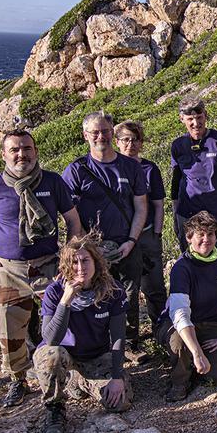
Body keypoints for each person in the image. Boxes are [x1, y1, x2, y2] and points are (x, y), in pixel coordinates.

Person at [0, 130, 83, 407]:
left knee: (66, 321)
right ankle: (18, 380)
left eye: (27, 148)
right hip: (7, 270)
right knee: (9, 330)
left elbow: (73, 220)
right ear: (4, 154)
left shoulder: (52, 181)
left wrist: (69, 256)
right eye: (14, 149)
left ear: (36, 151)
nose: (21, 154)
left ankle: (70, 372)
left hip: (49, 267)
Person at [35, 234, 132, 433]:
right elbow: (51, 338)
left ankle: (79, 381)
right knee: (52, 355)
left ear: (96, 261)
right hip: (64, 355)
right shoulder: (55, 292)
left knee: (120, 402)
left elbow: (118, 337)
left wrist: (116, 377)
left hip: (96, 355)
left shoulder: (112, 290)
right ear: (66, 265)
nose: (80, 268)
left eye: (85, 260)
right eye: (74, 262)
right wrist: (65, 302)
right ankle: (55, 409)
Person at [62, 113, 148, 348]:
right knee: (96, 294)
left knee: (129, 295)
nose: (101, 136)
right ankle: (100, 343)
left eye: (106, 131)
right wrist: (87, 246)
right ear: (86, 136)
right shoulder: (76, 170)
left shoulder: (130, 166)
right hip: (92, 249)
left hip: (127, 244)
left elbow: (141, 206)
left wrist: (131, 240)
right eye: (95, 132)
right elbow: (69, 214)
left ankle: (130, 342)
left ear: (112, 132)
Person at [157, 211, 217, 401]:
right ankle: (180, 381)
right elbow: (180, 315)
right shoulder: (182, 268)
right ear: (189, 238)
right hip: (178, 323)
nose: (206, 239)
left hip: (211, 322)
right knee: (179, 342)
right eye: (200, 234)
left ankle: (196, 365)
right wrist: (197, 352)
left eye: (211, 234)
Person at [114, 120, 168, 341]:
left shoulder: (149, 168)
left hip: (146, 236)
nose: (131, 144)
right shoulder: (112, 167)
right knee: (128, 291)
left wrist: (156, 233)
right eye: (125, 139)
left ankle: (162, 332)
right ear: (117, 142)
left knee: (154, 287)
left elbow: (158, 204)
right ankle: (131, 338)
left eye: (135, 139)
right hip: (121, 238)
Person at [170, 96, 217, 252]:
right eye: (190, 119)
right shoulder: (178, 145)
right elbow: (175, 183)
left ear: (205, 115)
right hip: (187, 215)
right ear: (182, 119)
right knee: (190, 261)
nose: (196, 123)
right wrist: (176, 215)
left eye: (199, 117)